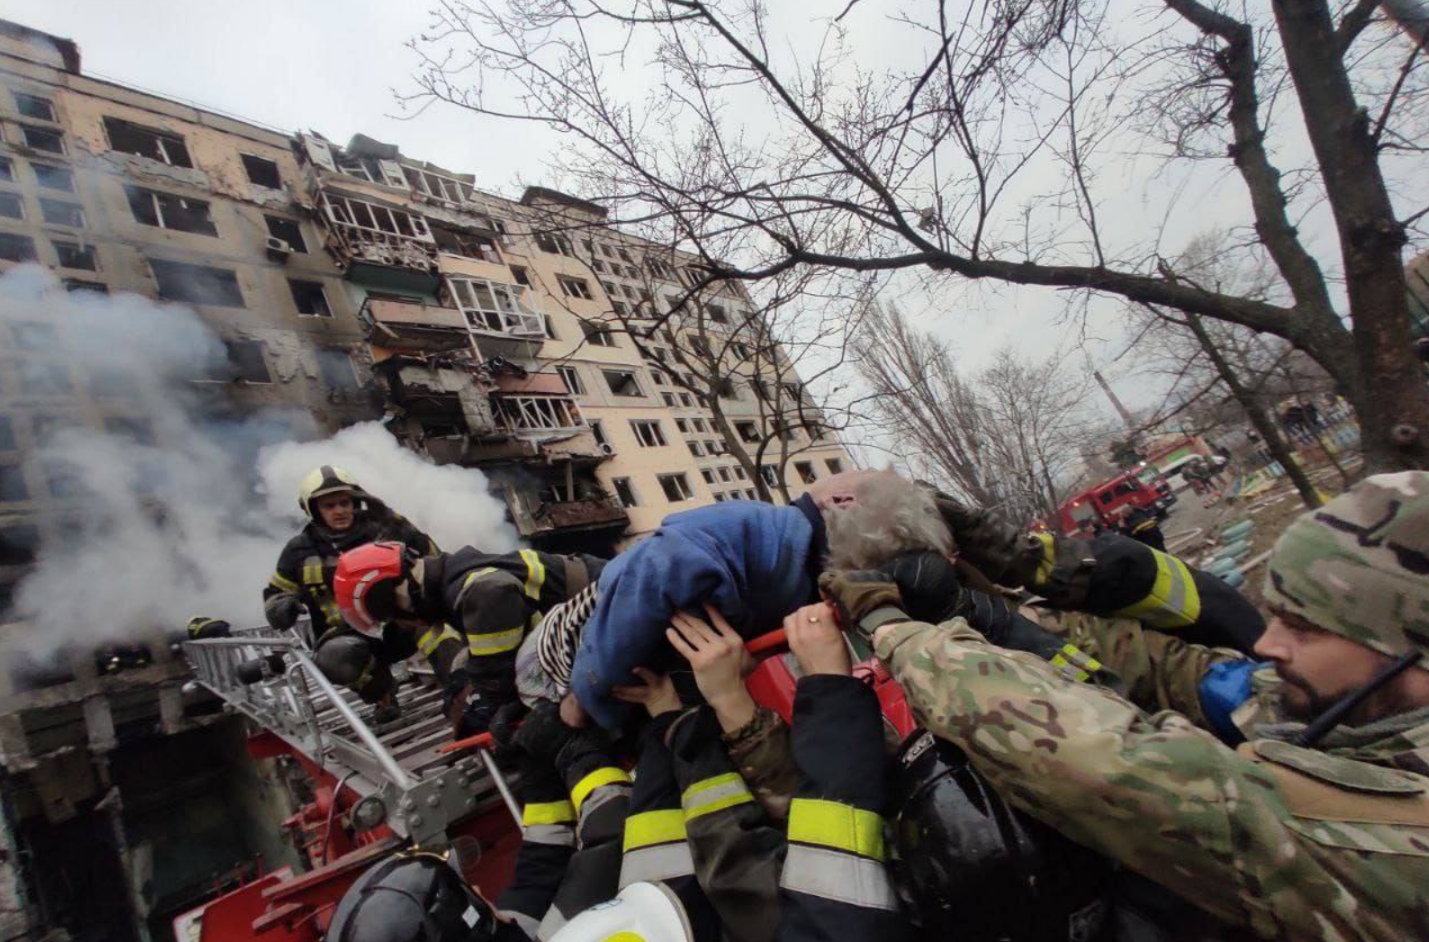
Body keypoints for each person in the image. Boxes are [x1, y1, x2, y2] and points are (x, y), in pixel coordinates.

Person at [820, 472, 1429, 941]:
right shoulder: (1364, 716)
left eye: (1305, 629)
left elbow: (1109, 763)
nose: (1268, 645)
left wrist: (897, 631)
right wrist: (1032, 563)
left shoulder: (1388, 842)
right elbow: (1193, 666)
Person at [552, 468, 954, 730]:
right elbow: (648, 572)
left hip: (630, 671)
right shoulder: (761, 535)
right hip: (572, 650)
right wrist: (588, 696)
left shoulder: (783, 553)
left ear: (844, 501)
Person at [333, 541, 605, 735]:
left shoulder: (469, 588)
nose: (407, 626)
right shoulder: (451, 578)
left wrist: (494, 696)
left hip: (608, 604)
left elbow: (493, 593)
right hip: (592, 614)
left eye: (394, 618)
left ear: (394, 598)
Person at [263, 466, 455, 720]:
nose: (340, 510)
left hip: (397, 623)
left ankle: (460, 689)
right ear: (313, 510)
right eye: (329, 506)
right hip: (343, 636)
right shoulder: (298, 551)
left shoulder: (381, 530)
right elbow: (275, 594)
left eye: (345, 502)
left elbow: (433, 556)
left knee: (438, 630)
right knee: (336, 657)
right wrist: (281, 606)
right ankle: (383, 693)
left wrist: (395, 519)